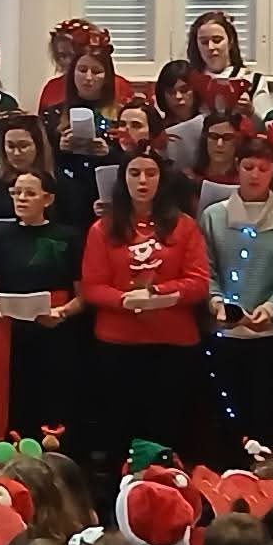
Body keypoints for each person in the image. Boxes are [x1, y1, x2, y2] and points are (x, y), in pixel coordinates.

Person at [80, 149, 211, 464]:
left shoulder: (184, 226)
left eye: (150, 174)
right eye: (134, 173)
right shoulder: (102, 229)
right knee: (121, 427)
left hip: (172, 343)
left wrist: (157, 293)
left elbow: (198, 282)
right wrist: (125, 300)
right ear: (122, 179)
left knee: (167, 427)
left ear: (161, 180)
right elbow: (92, 286)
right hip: (119, 344)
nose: (142, 181)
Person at [199, 137, 273, 450]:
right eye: (248, 167)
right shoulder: (214, 216)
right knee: (226, 421)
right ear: (237, 167)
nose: (255, 175)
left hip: (271, 335)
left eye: (263, 168)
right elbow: (205, 269)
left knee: (267, 418)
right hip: (224, 333)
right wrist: (217, 303)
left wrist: (272, 307)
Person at [0, 168, 84, 443]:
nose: (22, 198)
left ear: (47, 199)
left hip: (54, 330)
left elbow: (83, 293)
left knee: (52, 400)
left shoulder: (68, 236)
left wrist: (64, 312)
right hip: (11, 331)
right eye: (16, 193)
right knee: (16, 399)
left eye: (30, 193)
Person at [38, 20, 133, 113]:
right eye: (62, 56)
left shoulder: (119, 86)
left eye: (72, 55)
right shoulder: (52, 88)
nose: (68, 61)